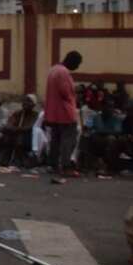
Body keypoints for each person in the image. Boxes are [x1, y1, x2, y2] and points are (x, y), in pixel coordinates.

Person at [45, 50, 82, 184]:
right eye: (77, 64)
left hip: (54, 112)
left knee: (55, 139)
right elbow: (66, 92)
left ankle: (53, 164)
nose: (77, 67)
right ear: (71, 61)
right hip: (65, 112)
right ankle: (66, 166)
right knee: (68, 140)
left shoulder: (53, 69)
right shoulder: (64, 72)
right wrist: (75, 91)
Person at [0, 95, 39, 166]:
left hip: (30, 138)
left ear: (33, 105)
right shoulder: (18, 113)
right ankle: (6, 159)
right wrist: (13, 128)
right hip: (16, 134)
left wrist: (15, 129)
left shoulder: (35, 115)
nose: (25, 103)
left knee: (19, 137)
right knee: (8, 135)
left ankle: (21, 159)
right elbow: (9, 124)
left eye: (28, 101)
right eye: (24, 101)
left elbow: (29, 128)